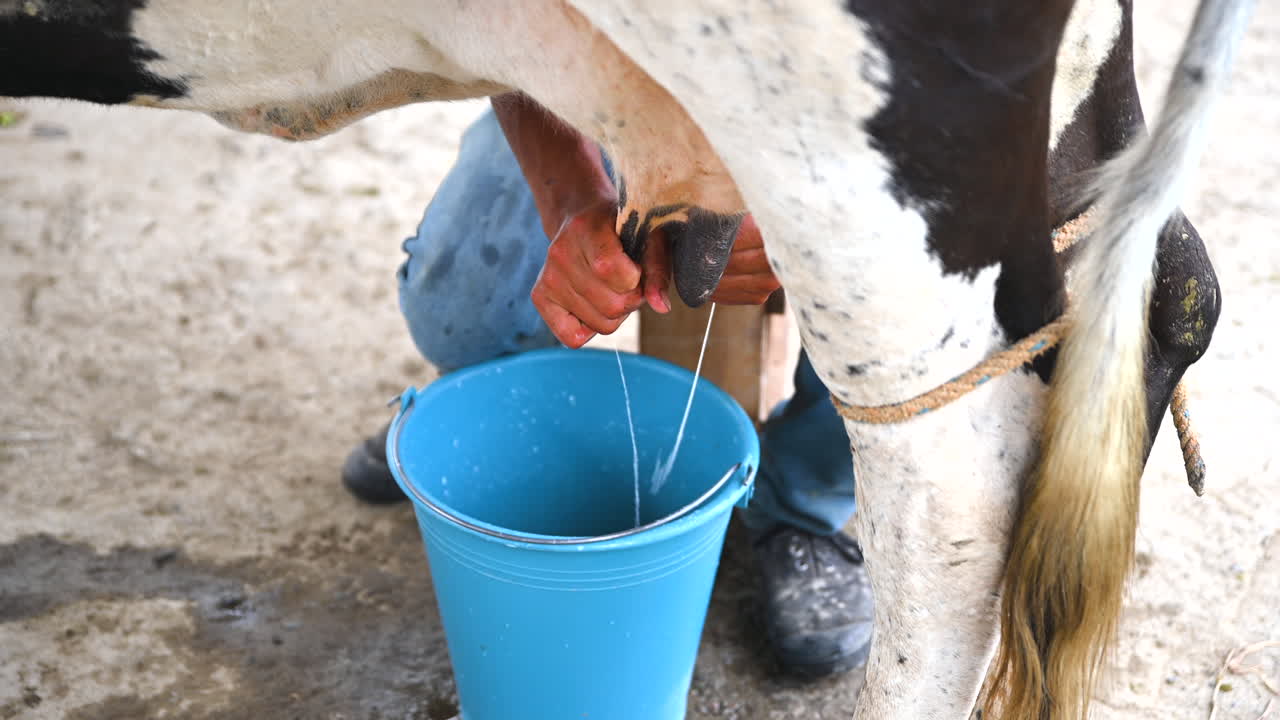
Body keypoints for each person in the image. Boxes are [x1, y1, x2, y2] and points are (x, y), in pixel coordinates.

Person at [341, 94, 872, 678]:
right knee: (461, 315)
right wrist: (569, 197)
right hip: (593, 89)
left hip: (833, 117)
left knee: (908, 287)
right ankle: (477, 419)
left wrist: (809, 218)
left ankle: (804, 505)